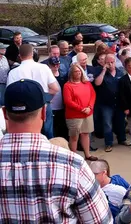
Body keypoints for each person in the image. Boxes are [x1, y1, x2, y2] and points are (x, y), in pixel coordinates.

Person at [0, 79, 112, 223]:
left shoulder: (73, 164)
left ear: (4, 113)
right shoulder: (72, 164)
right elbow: (101, 221)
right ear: (44, 113)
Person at [6, 44, 60, 138]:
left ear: (19, 55)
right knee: (47, 133)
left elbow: (10, 94)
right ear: (32, 53)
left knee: (25, 134)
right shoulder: (44, 68)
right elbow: (55, 89)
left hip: (23, 108)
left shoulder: (13, 72)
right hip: (44, 104)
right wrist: (45, 97)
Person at [64, 63, 98, 161]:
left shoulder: (87, 83)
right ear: (71, 73)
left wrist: (90, 107)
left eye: (79, 71)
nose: (78, 73)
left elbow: (93, 95)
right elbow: (68, 101)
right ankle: (72, 157)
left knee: (85, 134)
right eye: (76, 71)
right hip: (74, 115)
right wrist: (81, 108)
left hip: (88, 113)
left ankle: (87, 154)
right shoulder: (68, 86)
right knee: (74, 136)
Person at [93, 53, 126, 151]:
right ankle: (108, 143)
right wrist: (104, 70)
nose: (110, 64)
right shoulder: (100, 72)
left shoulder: (121, 72)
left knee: (121, 122)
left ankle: (122, 139)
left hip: (119, 103)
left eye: (112, 62)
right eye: (108, 62)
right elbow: (97, 83)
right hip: (106, 104)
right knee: (107, 124)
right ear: (104, 63)